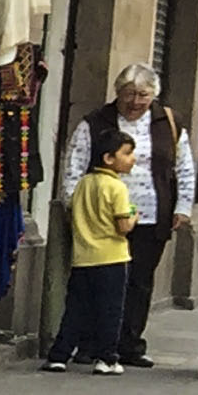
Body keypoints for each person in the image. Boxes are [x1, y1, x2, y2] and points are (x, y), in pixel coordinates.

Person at [55, 65, 190, 366]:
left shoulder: (167, 122)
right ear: (117, 93)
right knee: (97, 282)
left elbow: (184, 168)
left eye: (143, 95)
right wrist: (72, 206)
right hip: (101, 219)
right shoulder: (95, 122)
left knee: (139, 282)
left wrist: (182, 207)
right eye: (129, 94)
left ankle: (129, 344)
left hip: (150, 215)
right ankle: (91, 345)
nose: (135, 102)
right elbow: (73, 166)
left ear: (154, 95)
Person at [46, 127, 137, 372]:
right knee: (110, 310)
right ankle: (106, 357)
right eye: (127, 153)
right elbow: (123, 226)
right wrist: (133, 215)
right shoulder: (117, 188)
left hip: (83, 257)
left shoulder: (84, 183)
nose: (132, 159)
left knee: (76, 309)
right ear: (109, 158)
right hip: (112, 257)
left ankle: (59, 354)